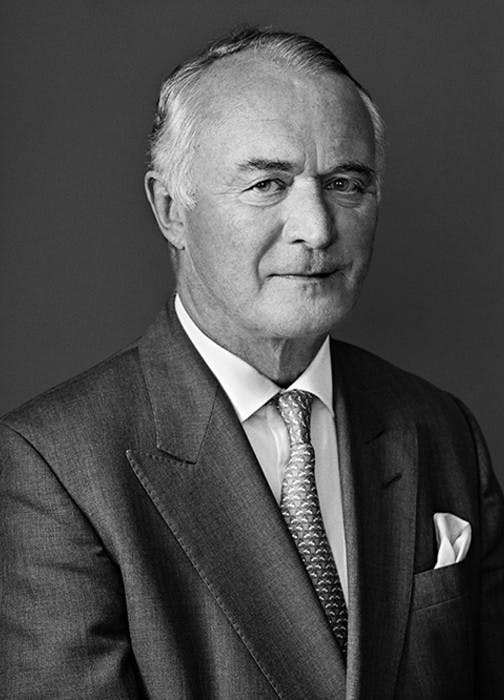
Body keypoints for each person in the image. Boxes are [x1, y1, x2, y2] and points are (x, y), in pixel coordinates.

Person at [1, 27, 503, 700]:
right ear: (170, 209)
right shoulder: (53, 467)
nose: (317, 228)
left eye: (345, 183)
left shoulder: (440, 428)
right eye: (268, 183)